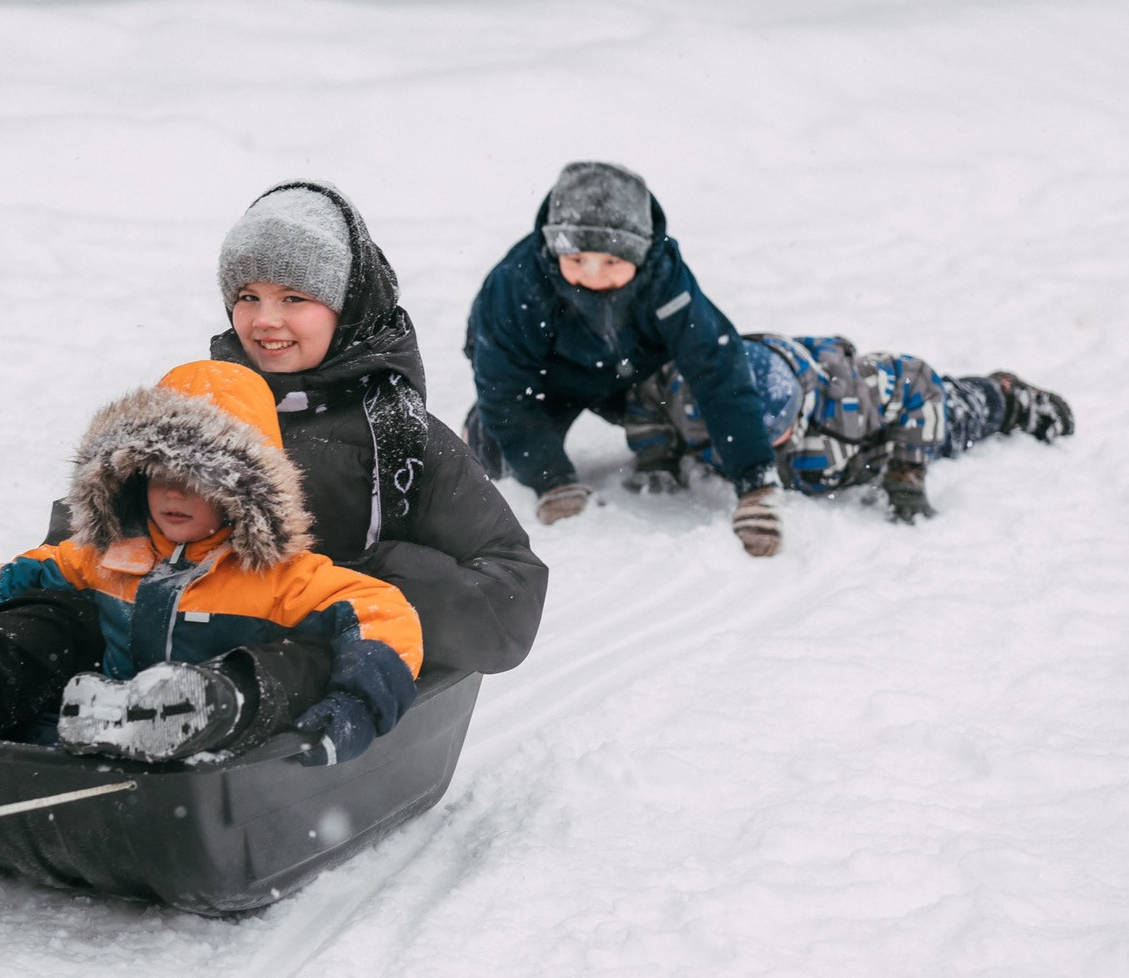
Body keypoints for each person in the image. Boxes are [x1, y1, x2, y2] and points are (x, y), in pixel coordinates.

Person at [0, 361, 423, 767]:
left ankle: (186, 711)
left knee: (275, 667)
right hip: (91, 722)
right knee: (41, 625)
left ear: (243, 493)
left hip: (214, 741)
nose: (172, 493)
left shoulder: (282, 576)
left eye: (198, 480)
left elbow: (381, 612)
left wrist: (358, 700)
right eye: (160, 474)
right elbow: (22, 576)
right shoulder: (115, 556)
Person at [196, 180, 547, 676]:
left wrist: (363, 582)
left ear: (348, 307)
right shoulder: (196, 413)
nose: (264, 320)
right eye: (248, 296)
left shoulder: (400, 439)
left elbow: (510, 607)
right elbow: (87, 549)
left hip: (338, 695)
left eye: (294, 297)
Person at [462, 161, 781, 553]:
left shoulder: (665, 278)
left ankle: (663, 440)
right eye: (577, 260)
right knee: (495, 456)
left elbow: (717, 365)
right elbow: (505, 387)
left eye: (612, 262)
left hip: (636, 379)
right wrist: (553, 480)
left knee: (704, 407)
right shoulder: (516, 283)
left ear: (639, 253)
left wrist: (755, 481)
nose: (594, 276)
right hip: (550, 382)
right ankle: (487, 434)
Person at [628, 333, 1074, 539]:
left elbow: (920, 382)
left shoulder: (851, 396)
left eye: (771, 436)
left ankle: (1009, 397)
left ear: (795, 415)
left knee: (956, 421)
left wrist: (906, 472)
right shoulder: (690, 396)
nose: (756, 450)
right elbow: (642, 397)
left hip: (883, 438)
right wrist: (656, 457)